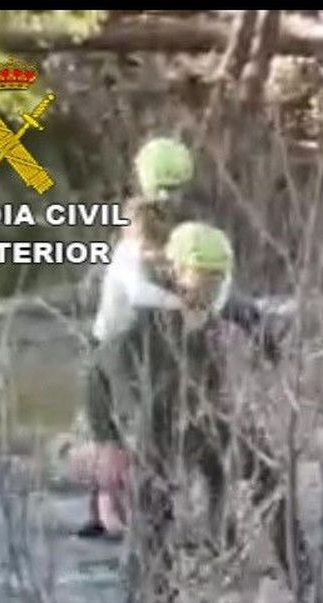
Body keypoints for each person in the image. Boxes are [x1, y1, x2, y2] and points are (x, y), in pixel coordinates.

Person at [97, 222, 308, 603]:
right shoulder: (148, 309)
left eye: (217, 277)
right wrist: (108, 438)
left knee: (266, 475)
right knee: (152, 511)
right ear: (176, 271)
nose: (211, 286)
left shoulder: (215, 297)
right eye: (204, 277)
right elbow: (99, 369)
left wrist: (273, 356)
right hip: (154, 424)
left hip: (204, 415)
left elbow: (248, 315)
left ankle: (304, 581)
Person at [78, 136, 200, 540]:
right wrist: (182, 300)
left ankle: (107, 511)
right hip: (118, 348)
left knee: (114, 434)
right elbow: (138, 294)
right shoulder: (138, 245)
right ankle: (115, 512)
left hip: (125, 345)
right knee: (123, 435)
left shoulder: (141, 237)